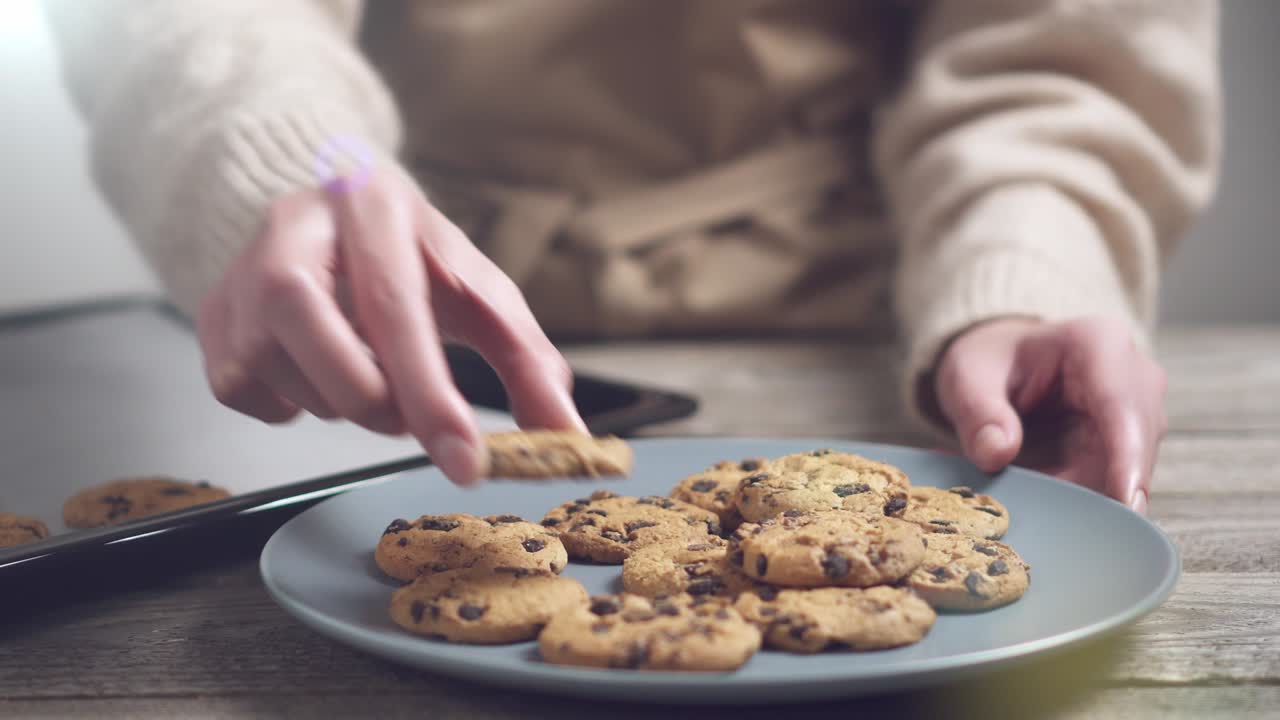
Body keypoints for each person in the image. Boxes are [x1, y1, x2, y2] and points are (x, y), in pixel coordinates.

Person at [46, 1, 1220, 512]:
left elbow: (1061, 51)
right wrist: (305, 162)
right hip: (403, 321)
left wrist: (1023, 267)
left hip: (856, 340)